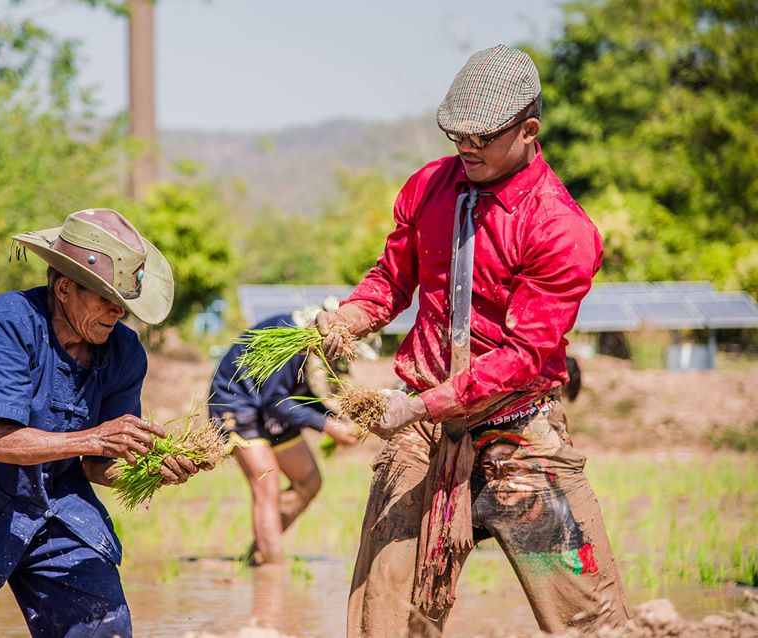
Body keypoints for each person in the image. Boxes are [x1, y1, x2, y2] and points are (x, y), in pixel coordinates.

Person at [315, 45, 630, 636]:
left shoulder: (560, 228)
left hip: (518, 433)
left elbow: (523, 357)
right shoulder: (429, 187)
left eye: (481, 136)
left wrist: (416, 403)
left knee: (591, 621)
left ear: (528, 129)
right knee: (384, 622)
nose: (465, 146)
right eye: (455, 133)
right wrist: (352, 316)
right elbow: (391, 280)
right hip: (422, 436)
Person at [0, 208, 199, 638]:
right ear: (65, 288)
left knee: (103, 628)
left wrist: (150, 471)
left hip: (53, 506)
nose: (117, 312)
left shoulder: (124, 352)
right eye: (105, 299)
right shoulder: (9, 323)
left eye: (123, 303)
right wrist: (95, 437)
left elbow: (97, 464)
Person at [209, 311, 359, 565]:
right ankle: (272, 573)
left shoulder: (316, 351)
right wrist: (327, 426)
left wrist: (338, 419)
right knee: (267, 483)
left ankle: (260, 552)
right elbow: (275, 400)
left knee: (309, 481)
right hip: (238, 403)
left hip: (268, 405)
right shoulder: (290, 341)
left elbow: (303, 393)